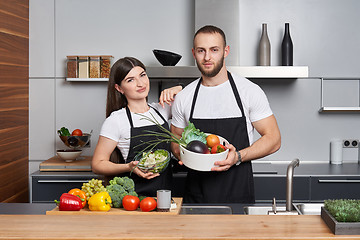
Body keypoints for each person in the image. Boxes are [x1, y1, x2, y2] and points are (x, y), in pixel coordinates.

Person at [170, 25, 281, 203]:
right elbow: (175, 137)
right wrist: (181, 154)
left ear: (225, 51)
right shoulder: (185, 97)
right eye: (201, 50)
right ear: (194, 53)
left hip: (238, 196)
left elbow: (274, 139)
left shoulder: (249, 91)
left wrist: (237, 156)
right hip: (196, 199)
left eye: (214, 50)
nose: (207, 57)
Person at [91, 57, 182, 197]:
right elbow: (97, 164)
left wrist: (179, 88)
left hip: (166, 196)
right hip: (135, 200)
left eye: (142, 75)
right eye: (130, 80)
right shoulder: (116, 120)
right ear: (119, 88)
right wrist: (128, 167)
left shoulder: (163, 109)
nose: (140, 83)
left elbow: (196, 97)